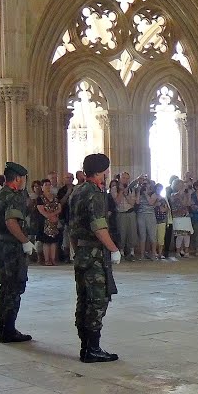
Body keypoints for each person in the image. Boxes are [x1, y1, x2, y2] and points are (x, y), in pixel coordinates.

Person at [67, 153, 121, 363]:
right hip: (95, 254)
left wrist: (76, 249)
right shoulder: (95, 194)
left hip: (81, 252)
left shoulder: (76, 191)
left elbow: (72, 227)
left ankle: (85, 346)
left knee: (84, 299)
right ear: (101, 172)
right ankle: (93, 348)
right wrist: (113, 249)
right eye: (106, 170)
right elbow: (98, 226)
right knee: (97, 300)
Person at [0, 162, 34, 344]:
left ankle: (4, 328)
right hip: (13, 247)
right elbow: (12, 222)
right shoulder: (13, 196)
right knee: (13, 287)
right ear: (18, 178)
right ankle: (8, 330)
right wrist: (25, 241)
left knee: (5, 286)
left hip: (2, 245)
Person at [36, 179, 62, 266]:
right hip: (44, 222)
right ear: (42, 187)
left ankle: (53, 259)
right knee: (46, 241)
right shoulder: (40, 198)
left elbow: (59, 208)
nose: (48, 186)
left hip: (54, 221)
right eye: (45, 185)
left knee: (54, 241)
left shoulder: (55, 197)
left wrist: (53, 215)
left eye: (49, 184)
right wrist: (49, 216)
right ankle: (47, 260)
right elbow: (41, 210)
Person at [136, 180, 159, 260]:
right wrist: (139, 192)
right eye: (144, 184)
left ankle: (153, 254)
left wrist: (146, 194)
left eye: (147, 184)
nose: (145, 185)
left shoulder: (154, 194)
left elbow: (151, 202)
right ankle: (142, 255)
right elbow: (137, 202)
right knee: (142, 235)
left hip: (150, 216)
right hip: (141, 215)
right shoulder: (141, 193)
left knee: (152, 235)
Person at [169, 179, 192, 256]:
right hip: (177, 217)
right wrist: (183, 192)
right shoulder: (173, 195)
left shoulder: (185, 194)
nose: (182, 186)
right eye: (180, 185)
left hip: (186, 216)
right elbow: (181, 203)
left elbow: (187, 204)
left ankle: (186, 251)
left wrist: (188, 194)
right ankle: (178, 252)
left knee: (187, 235)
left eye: (182, 185)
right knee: (180, 235)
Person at [153, 183, 169, 259]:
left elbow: (167, 209)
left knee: (161, 238)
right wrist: (156, 204)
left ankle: (160, 253)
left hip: (162, 220)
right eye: (158, 188)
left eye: (160, 189)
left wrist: (164, 209)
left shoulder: (163, 199)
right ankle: (154, 252)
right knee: (154, 237)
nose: (159, 190)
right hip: (154, 220)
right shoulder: (152, 197)